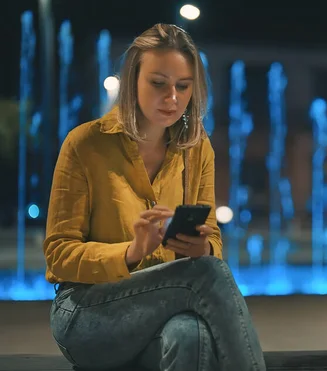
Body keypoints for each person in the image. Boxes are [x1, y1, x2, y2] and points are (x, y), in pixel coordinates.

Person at [44, 24, 266, 371]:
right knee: (207, 275)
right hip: (87, 315)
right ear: (133, 81)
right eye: (158, 83)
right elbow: (58, 256)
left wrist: (202, 248)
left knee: (191, 335)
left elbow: (212, 237)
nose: (173, 97)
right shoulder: (85, 144)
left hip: (165, 310)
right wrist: (131, 253)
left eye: (183, 86)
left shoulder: (197, 149)